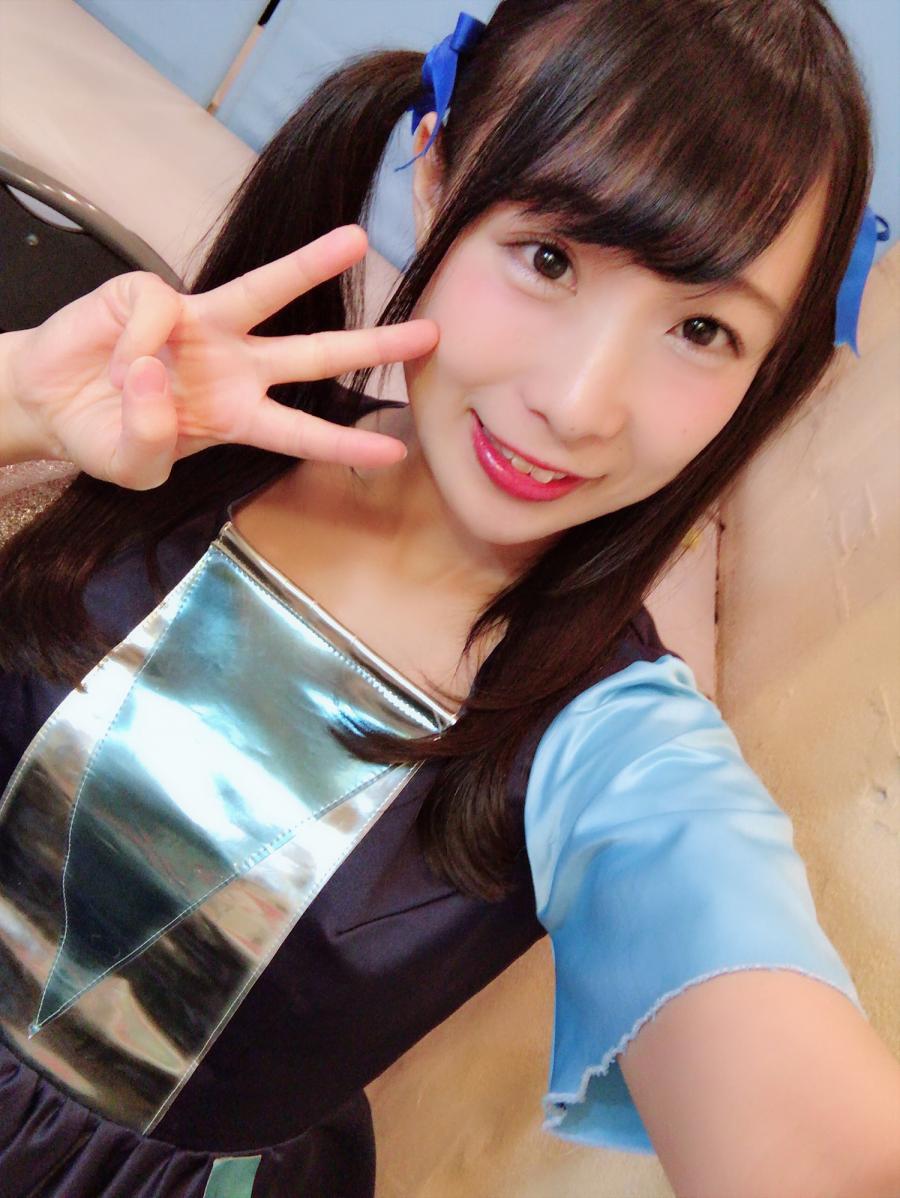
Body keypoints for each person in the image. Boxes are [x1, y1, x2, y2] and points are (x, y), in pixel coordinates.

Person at [0, 1, 898, 1195]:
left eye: (701, 328)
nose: (579, 403)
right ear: (436, 176)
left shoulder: (619, 751)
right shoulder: (197, 428)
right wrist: (19, 404)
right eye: (549, 259)